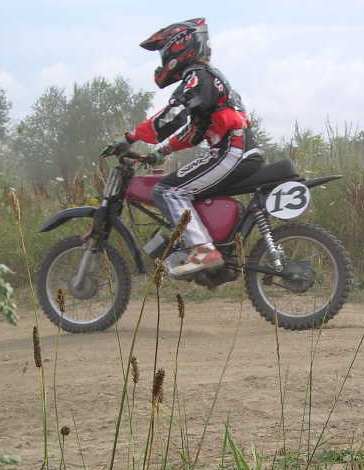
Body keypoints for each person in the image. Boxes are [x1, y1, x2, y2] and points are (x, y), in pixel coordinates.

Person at [103, 18, 263, 277]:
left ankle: (203, 250)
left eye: (163, 51)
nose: (163, 59)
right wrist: (161, 152)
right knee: (179, 188)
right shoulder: (207, 78)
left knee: (167, 191)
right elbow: (195, 130)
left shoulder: (198, 76)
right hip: (235, 151)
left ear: (179, 46)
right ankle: (211, 253)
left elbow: (173, 115)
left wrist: (130, 137)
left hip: (231, 152)